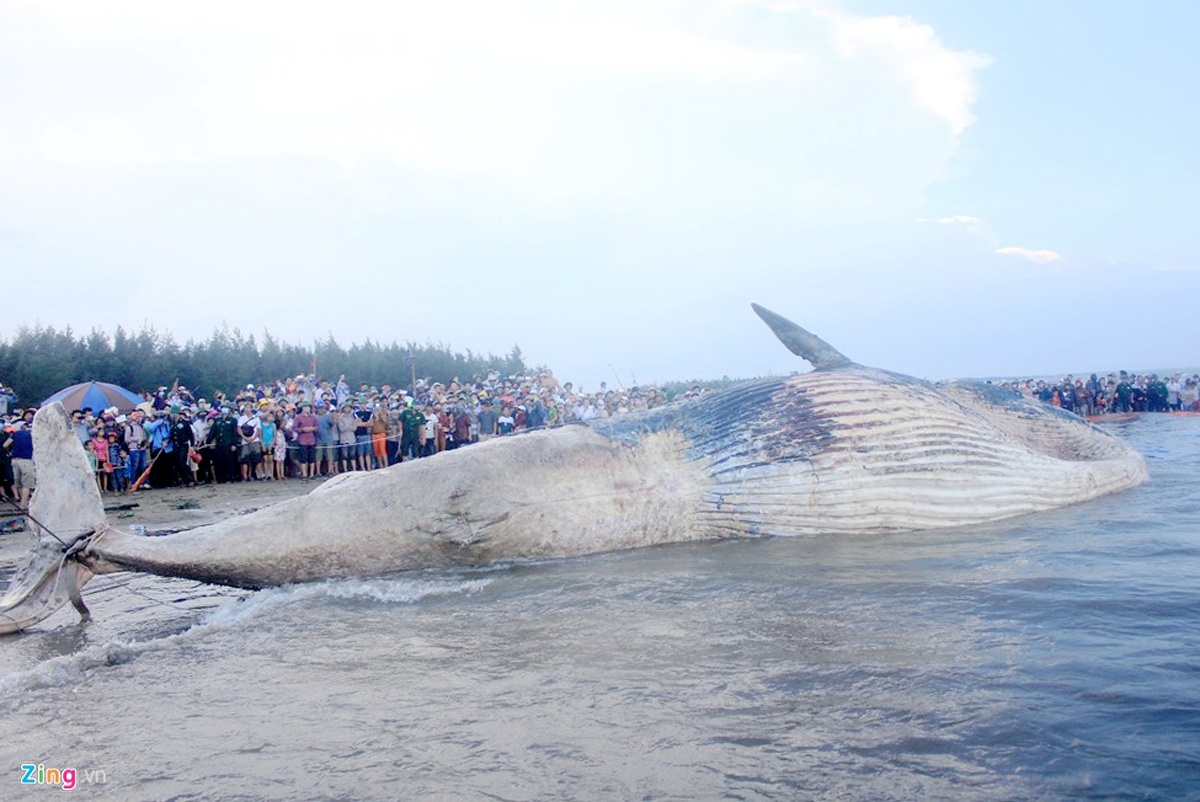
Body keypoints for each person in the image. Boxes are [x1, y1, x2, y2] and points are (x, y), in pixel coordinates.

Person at [8, 409, 36, 507]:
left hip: (14, 460)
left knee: (18, 483)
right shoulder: (32, 435)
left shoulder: (15, 434)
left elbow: (5, 445)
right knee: (27, 484)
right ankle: (24, 504)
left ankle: (22, 503)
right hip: (27, 460)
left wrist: (10, 452)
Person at [207, 405, 240, 484]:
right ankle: (220, 478)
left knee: (229, 461)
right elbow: (213, 432)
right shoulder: (217, 420)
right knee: (218, 461)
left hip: (228, 444)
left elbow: (234, 433)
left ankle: (230, 478)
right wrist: (208, 442)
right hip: (219, 444)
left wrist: (234, 444)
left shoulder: (233, 420)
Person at [293, 402, 319, 479]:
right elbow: (295, 428)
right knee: (303, 458)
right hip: (302, 440)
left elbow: (317, 427)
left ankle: (311, 474)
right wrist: (302, 429)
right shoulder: (298, 417)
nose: (307, 408)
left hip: (312, 439)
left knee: (312, 458)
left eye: (308, 407)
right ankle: (304, 474)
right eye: (305, 407)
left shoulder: (313, 417)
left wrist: (312, 429)